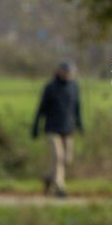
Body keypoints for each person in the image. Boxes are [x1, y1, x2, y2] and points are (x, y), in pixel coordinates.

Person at [32, 61, 82, 197]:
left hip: (68, 129)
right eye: (66, 72)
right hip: (52, 128)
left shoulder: (74, 87)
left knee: (67, 160)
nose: (68, 75)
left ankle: (48, 178)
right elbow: (41, 108)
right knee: (58, 157)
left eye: (70, 72)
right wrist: (35, 126)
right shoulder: (50, 87)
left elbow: (77, 108)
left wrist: (79, 124)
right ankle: (60, 187)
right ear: (59, 72)